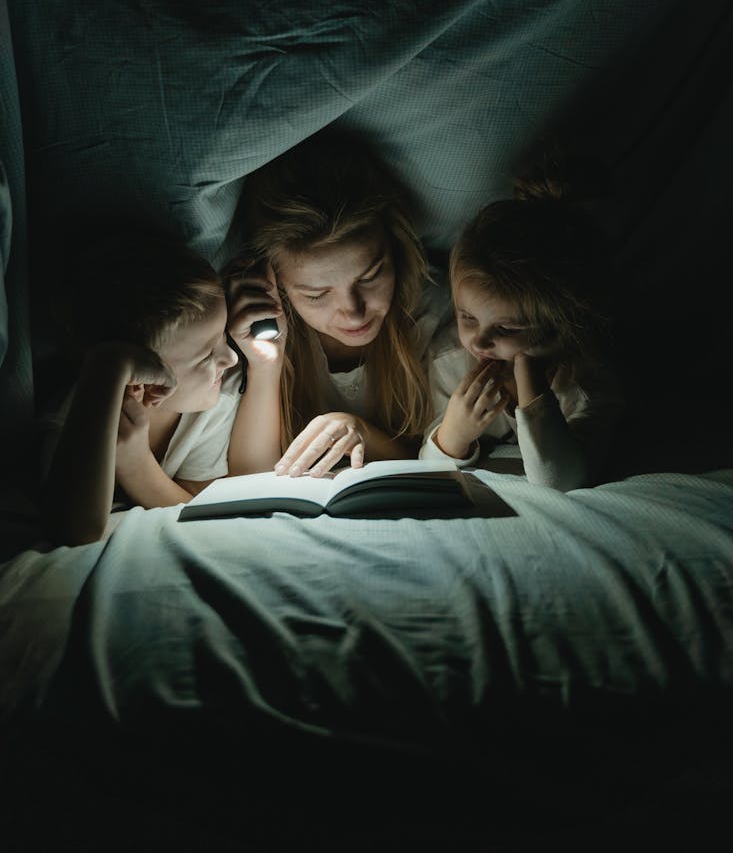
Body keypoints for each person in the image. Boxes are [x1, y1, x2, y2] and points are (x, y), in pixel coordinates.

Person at [225, 130, 449, 478]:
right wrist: (264, 369)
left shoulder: (436, 313)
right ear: (275, 284)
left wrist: (360, 430)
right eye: (316, 295)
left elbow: (444, 458)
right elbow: (249, 477)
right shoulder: (255, 326)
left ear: (395, 249)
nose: (354, 311)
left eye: (371, 275)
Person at [420, 161, 624, 491]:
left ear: (559, 329)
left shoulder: (585, 381)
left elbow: (561, 480)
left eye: (508, 329)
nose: (479, 341)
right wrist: (453, 435)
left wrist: (530, 381)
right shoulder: (452, 359)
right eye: (467, 317)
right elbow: (429, 469)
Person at [40, 232, 240, 546]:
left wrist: (137, 465)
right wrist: (109, 366)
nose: (231, 358)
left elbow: (199, 507)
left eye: (224, 337)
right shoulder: (72, 422)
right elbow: (75, 531)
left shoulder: (210, 405)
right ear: (143, 377)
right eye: (206, 355)